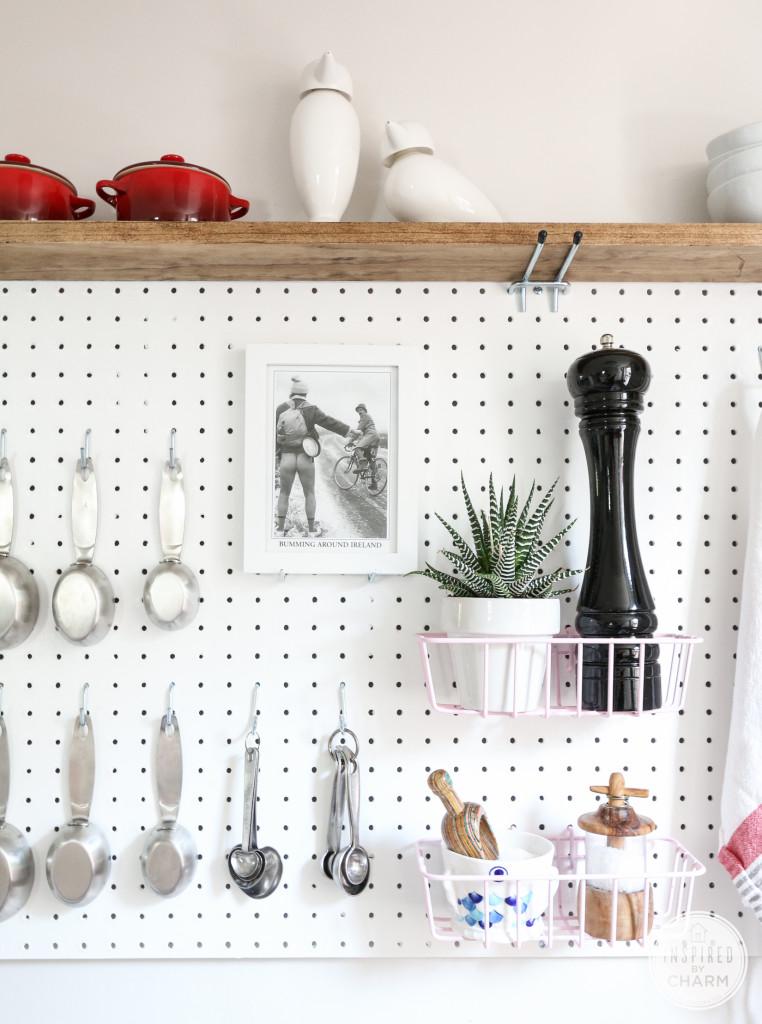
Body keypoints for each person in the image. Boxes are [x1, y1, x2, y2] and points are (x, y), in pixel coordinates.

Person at [274, 376, 351, 537]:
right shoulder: (312, 409)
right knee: (309, 493)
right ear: (306, 394)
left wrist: (276, 455)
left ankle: (280, 529)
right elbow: (330, 422)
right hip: (305, 457)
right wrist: (350, 431)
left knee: (284, 493)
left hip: (287, 456)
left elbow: (275, 434)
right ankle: (311, 529)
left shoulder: (281, 409)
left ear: (291, 393)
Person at [350, 403, 381, 492]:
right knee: (371, 460)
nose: (359, 411)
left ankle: (362, 463)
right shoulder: (364, 417)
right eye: (358, 410)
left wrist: (350, 441)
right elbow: (359, 433)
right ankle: (374, 483)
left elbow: (358, 431)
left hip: (371, 435)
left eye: (361, 409)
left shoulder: (365, 416)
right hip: (375, 438)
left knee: (357, 448)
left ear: (364, 410)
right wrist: (353, 439)